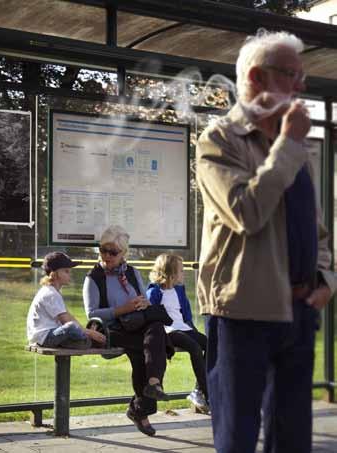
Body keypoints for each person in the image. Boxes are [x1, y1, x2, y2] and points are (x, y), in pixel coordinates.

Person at [196, 29, 337, 453]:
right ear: (257, 78)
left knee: (293, 439)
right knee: (237, 437)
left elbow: (316, 227)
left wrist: (326, 278)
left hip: (298, 309)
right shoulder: (219, 140)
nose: (300, 87)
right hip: (243, 312)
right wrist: (290, 144)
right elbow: (247, 213)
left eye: (302, 78)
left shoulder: (290, 146)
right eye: (291, 75)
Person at [83, 225, 170, 437]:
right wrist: (125, 308)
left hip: (136, 325)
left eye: (113, 252)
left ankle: (152, 384)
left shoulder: (131, 272)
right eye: (103, 250)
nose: (107, 255)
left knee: (156, 329)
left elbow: (145, 299)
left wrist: (141, 304)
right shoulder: (93, 277)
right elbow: (92, 314)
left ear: (124, 253)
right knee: (148, 348)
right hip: (112, 330)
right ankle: (141, 408)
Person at [146, 253, 209, 414]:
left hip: (183, 327)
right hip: (169, 331)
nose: (183, 273)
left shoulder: (179, 290)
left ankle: (198, 391)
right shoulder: (154, 292)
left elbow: (186, 314)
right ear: (170, 273)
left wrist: (193, 330)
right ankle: (209, 395)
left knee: (210, 345)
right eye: (181, 270)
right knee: (194, 348)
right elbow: (152, 317)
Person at [27, 252, 106, 349]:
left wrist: (84, 330)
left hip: (50, 335)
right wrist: (89, 333)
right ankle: (87, 341)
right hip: (45, 337)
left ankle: (84, 342)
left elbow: (68, 316)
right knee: (71, 327)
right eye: (66, 271)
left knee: (74, 327)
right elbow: (66, 320)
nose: (70, 275)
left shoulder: (53, 291)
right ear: (54, 274)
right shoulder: (50, 293)